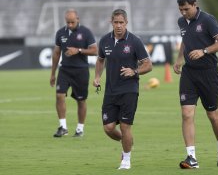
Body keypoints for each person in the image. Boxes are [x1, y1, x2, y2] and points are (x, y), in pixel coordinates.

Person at [173, 0, 218, 169]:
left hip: (208, 73)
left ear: (195, 5)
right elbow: (185, 39)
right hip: (189, 73)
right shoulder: (182, 21)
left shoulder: (207, 20)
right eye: (181, 9)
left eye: (186, 9)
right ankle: (191, 157)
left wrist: (204, 51)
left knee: (213, 115)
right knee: (187, 113)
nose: (183, 13)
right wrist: (179, 58)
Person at [93, 9, 152, 170]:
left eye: (121, 22)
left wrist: (134, 71)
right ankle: (126, 141)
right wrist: (97, 77)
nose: (118, 26)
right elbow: (100, 60)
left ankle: (126, 160)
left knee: (125, 127)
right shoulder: (105, 40)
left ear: (126, 23)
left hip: (129, 89)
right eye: (116, 22)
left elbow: (148, 65)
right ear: (111, 22)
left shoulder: (134, 41)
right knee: (108, 128)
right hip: (110, 91)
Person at [50, 9, 98, 137]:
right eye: (68, 22)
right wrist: (53, 73)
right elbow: (56, 53)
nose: (70, 24)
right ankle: (63, 127)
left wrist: (79, 50)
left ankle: (80, 128)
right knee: (59, 95)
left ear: (78, 19)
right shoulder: (60, 33)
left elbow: (95, 50)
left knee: (81, 101)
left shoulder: (86, 32)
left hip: (81, 71)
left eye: (72, 22)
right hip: (65, 70)